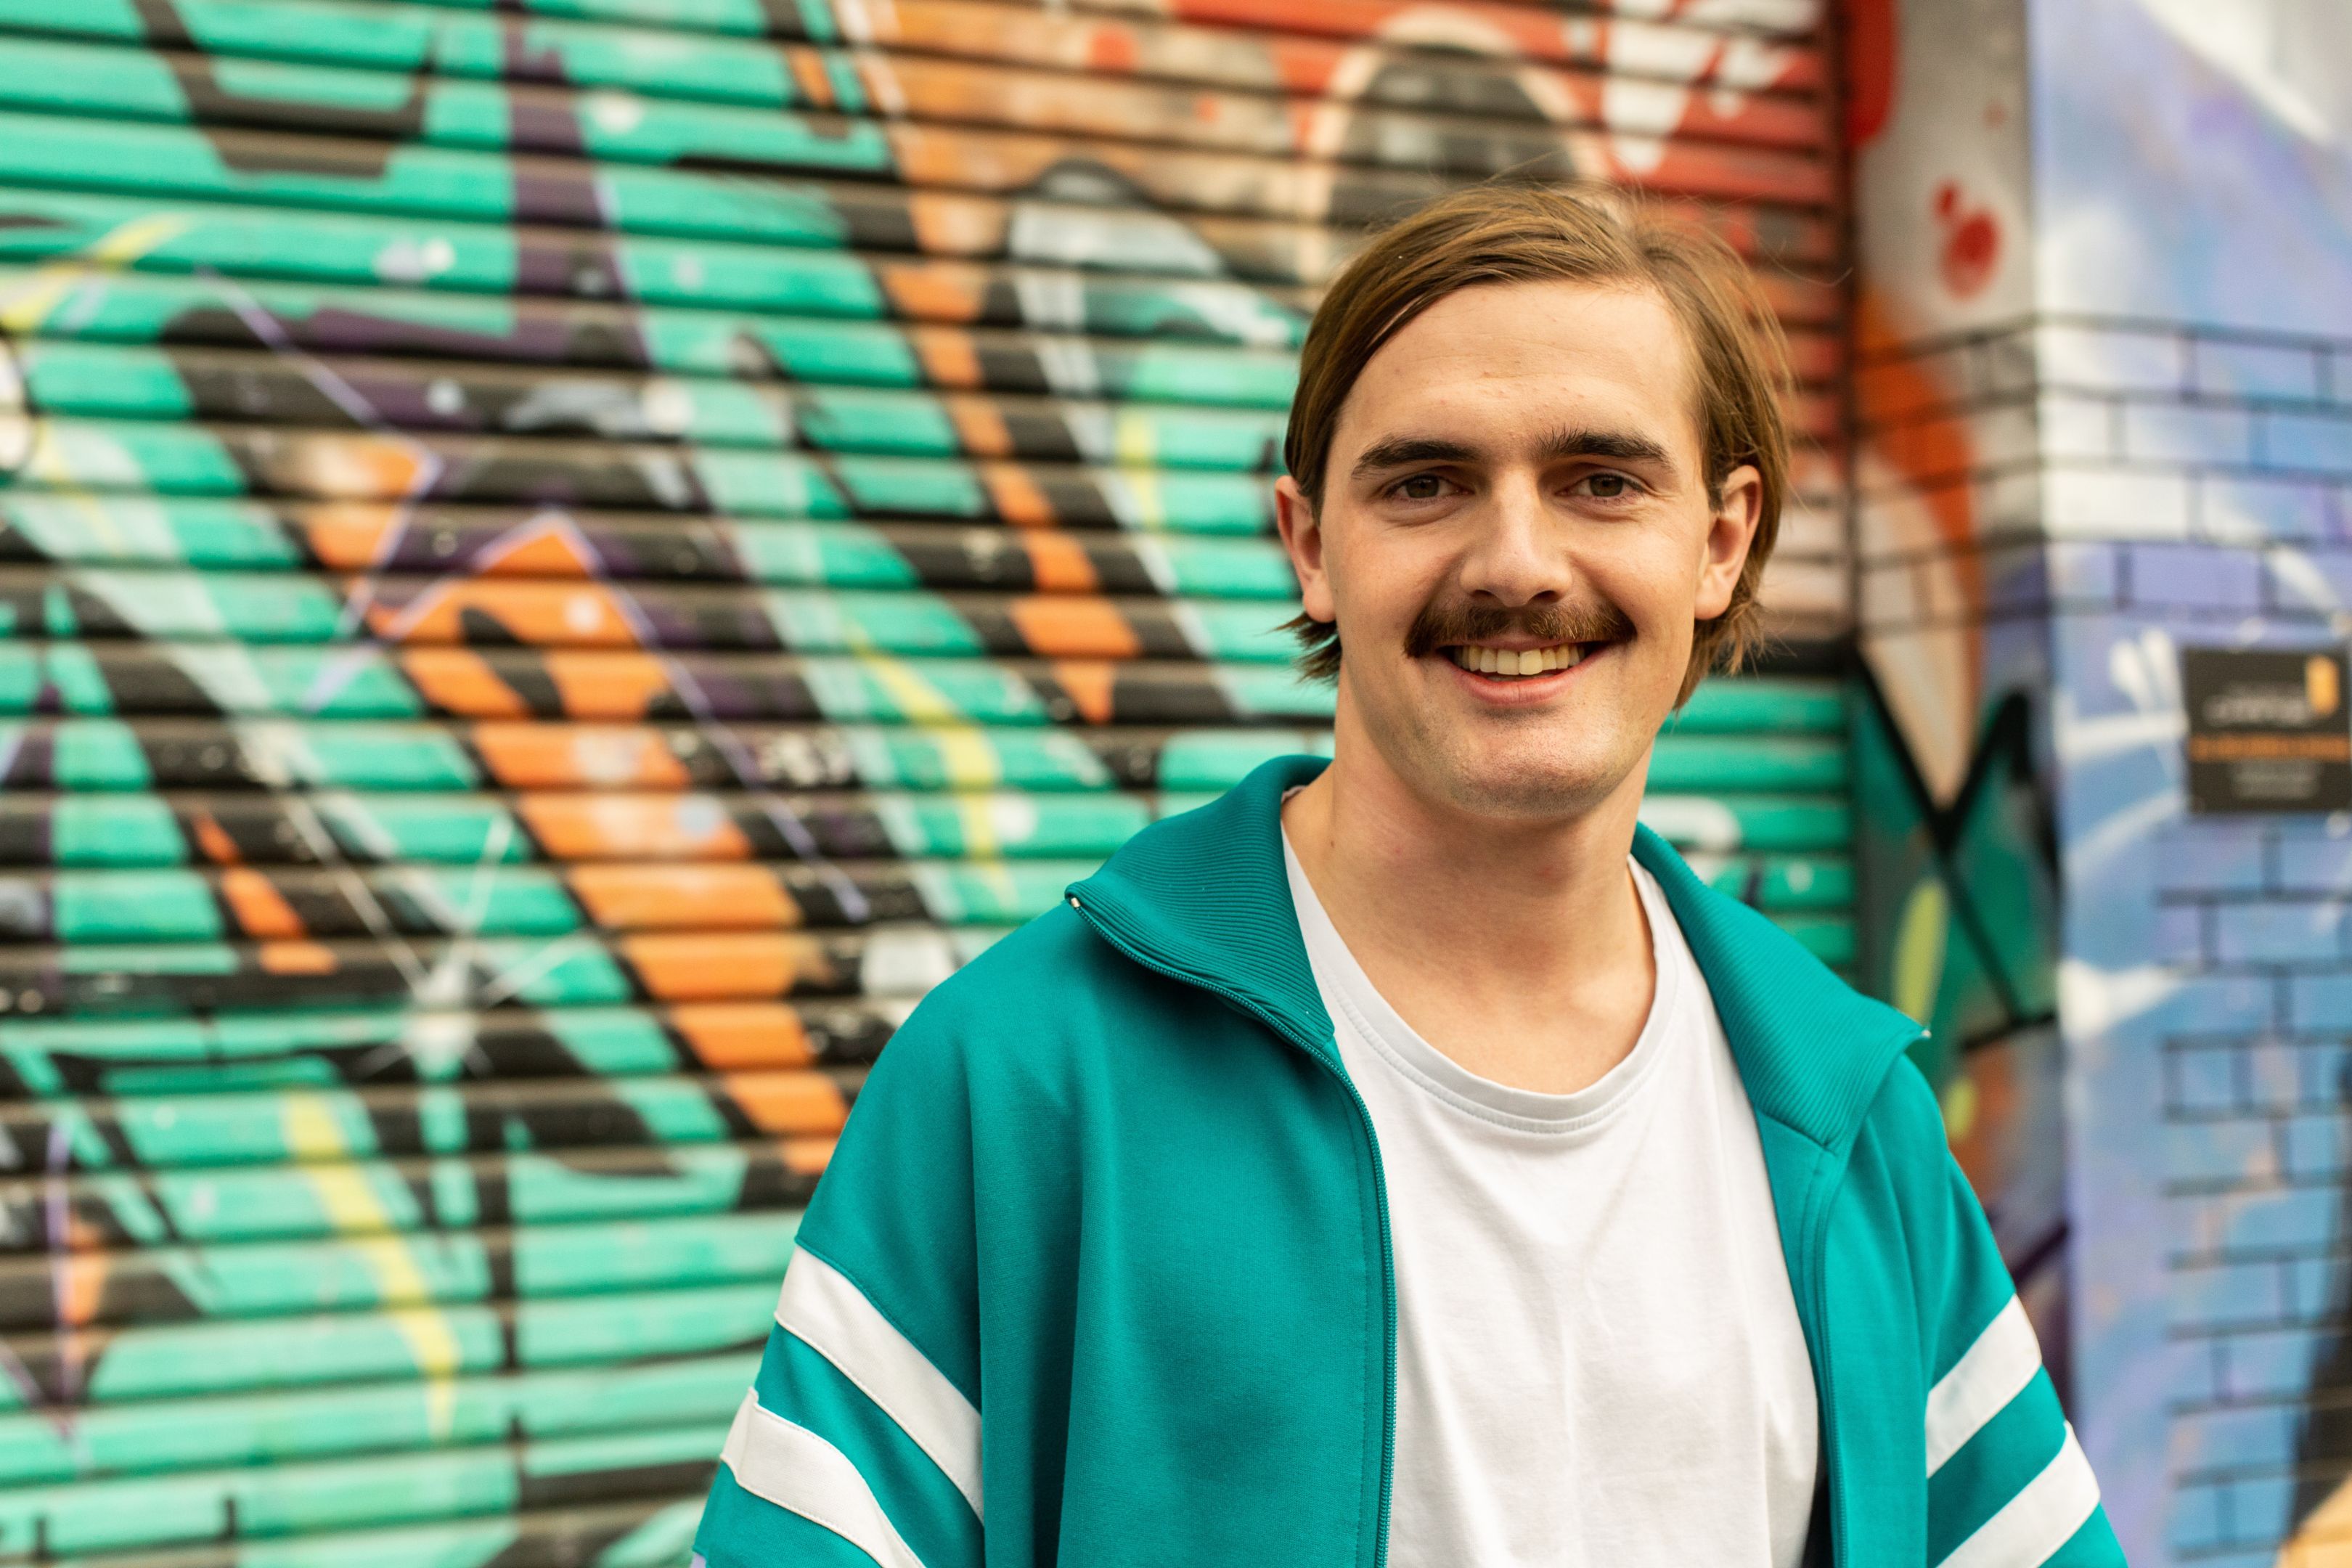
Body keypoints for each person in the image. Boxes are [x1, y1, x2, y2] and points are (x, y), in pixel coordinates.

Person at [688, 183, 2124, 1568]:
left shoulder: (1845, 1117)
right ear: (1312, 545)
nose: (1516, 560)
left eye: (1602, 480)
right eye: (1428, 483)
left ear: (1721, 539)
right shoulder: (1021, 1081)